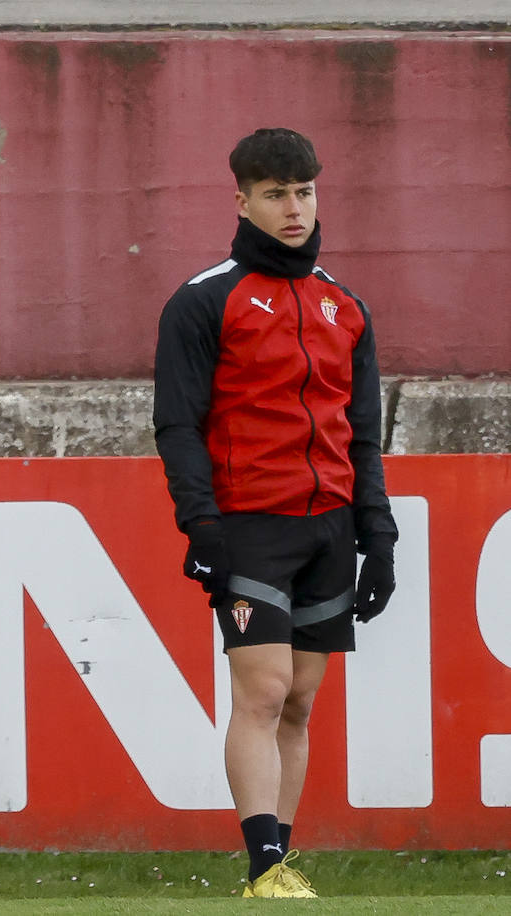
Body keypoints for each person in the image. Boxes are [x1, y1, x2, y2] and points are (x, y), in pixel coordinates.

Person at [153, 128, 399, 898]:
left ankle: (280, 862)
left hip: (330, 526)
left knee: (299, 699)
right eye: (275, 194)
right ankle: (262, 864)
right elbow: (177, 424)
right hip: (248, 524)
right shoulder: (202, 301)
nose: (293, 209)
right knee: (260, 691)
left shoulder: (345, 306)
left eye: (304, 192)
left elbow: (363, 432)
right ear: (242, 200)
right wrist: (201, 525)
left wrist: (379, 538)